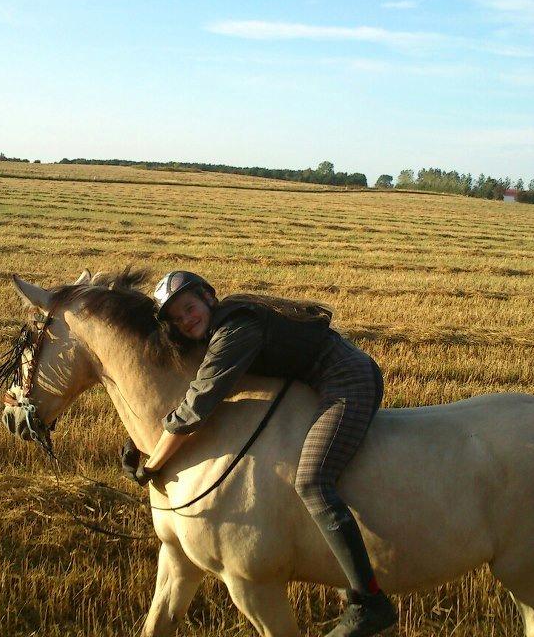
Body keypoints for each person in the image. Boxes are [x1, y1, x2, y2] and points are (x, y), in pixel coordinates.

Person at [123, 270, 396, 637]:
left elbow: (196, 407)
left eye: (188, 308)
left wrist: (153, 464)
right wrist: (141, 440)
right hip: (313, 384)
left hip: (348, 378)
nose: (185, 320)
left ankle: (369, 602)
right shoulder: (218, 330)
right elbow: (191, 390)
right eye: (176, 318)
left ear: (208, 296)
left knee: (312, 481)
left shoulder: (235, 330)